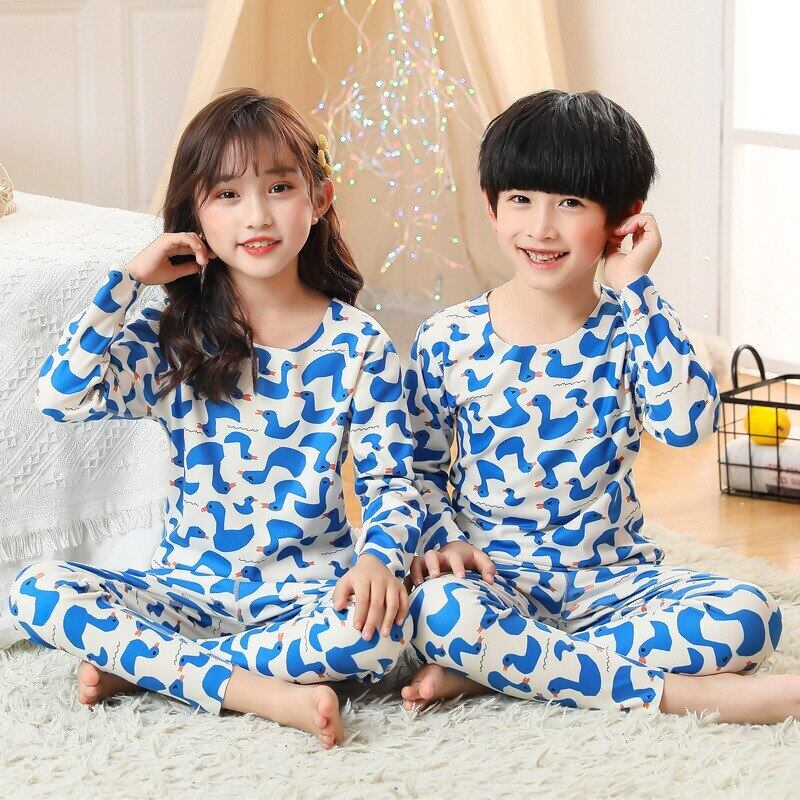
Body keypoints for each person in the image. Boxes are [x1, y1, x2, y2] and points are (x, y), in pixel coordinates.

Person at [9, 88, 424, 748]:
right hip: (184, 594)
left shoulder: (359, 344)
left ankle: (149, 667)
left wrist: (378, 559)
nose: (257, 216)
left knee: (384, 631)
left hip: (307, 598)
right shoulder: (174, 337)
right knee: (34, 590)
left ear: (319, 199)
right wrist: (127, 281)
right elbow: (61, 396)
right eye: (227, 194)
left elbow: (390, 483)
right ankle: (260, 693)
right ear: (194, 216)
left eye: (279, 187)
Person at [401, 90, 796, 725]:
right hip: (490, 586)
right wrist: (444, 539)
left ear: (623, 218)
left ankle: (499, 668)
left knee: (751, 617)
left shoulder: (634, 324)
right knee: (437, 614)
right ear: (491, 206)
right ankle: (688, 697)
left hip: (617, 585)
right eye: (521, 199)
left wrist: (635, 286)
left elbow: (688, 428)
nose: (541, 228)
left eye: (570, 203)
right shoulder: (447, 338)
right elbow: (417, 471)